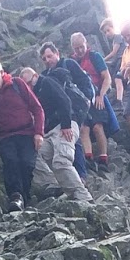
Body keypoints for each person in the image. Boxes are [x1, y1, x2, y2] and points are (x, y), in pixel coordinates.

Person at [0, 53, 44, 213]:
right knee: (10, 163)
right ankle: (15, 197)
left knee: (27, 164)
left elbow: (37, 108)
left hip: (26, 133)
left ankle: (25, 197)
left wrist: (39, 133)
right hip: (5, 137)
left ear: (1, 72)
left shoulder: (18, 84)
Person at [18, 68, 91, 201]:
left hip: (64, 126)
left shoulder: (47, 82)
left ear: (35, 76)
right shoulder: (32, 95)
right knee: (35, 155)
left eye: (28, 83)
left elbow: (64, 100)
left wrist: (66, 125)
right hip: (49, 131)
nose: (28, 87)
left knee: (61, 160)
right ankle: (56, 186)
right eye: (25, 85)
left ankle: (82, 196)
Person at [39, 42, 94, 182]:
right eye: (44, 59)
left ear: (57, 53)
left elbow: (84, 81)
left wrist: (88, 98)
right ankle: (72, 176)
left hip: (76, 108)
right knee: (67, 140)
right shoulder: (45, 75)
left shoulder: (69, 64)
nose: (48, 60)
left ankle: (80, 175)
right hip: (58, 114)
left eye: (49, 56)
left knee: (73, 139)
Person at [69, 31, 112, 171]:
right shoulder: (71, 62)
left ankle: (103, 158)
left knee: (97, 126)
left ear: (86, 44)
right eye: (77, 48)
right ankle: (88, 158)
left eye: (82, 47)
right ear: (72, 48)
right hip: (81, 101)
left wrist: (101, 95)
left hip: (96, 96)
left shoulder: (95, 57)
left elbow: (106, 77)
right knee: (84, 129)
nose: (80, 50)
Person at [99, 18, 124, 106]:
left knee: (117, 79)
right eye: (105, 33)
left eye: (108, 30)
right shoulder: (113, 41)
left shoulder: (118, 37)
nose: (107, 34)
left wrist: (102, 60)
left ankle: (119, 100)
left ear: (113, 27)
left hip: (122, 60)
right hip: (117, 61)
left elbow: (114, 53)